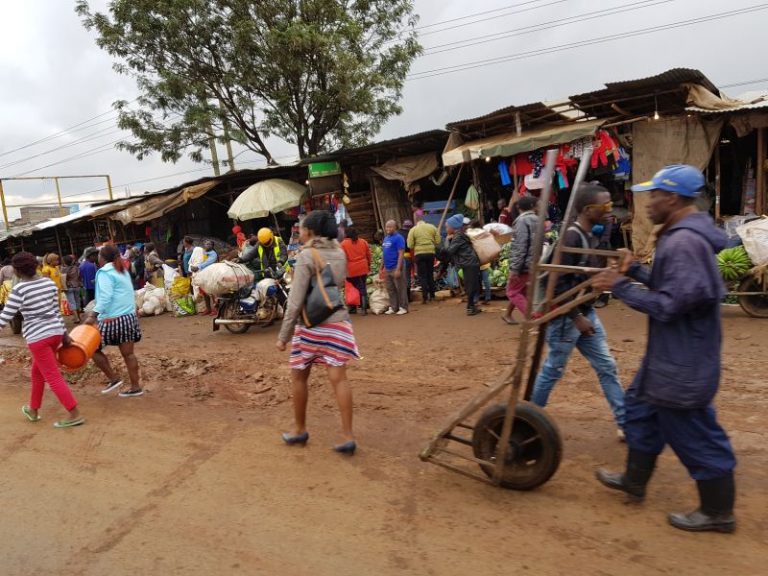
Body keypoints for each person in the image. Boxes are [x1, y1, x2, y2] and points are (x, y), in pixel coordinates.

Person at [592, 165, 737, 533]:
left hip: (683, 362)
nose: (648, 203)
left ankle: (718, 512)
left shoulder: (684, 243)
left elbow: (670, 304)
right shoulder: (679, 237)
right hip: (669, 357)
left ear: (672, 198)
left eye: (653, 196)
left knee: (694, 433)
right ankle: (634, 480)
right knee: (640, 411)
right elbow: (672, 286)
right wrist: (633, 271)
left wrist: (619, 287)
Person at [530, 184, 626, 437]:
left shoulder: (591, 234)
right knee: (553, 370)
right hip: (568, 317)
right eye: (605, 206)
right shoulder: (570, 238)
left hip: (584, 312)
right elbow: (557, 284)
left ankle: (625, 423)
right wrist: (577, 317)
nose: (610, 210)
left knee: (606, 366)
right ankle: (528, 419)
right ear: (587, 210)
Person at [275, 210, 360, 455]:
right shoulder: (339, 251)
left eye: (301, 228)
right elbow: (337, 283)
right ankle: (348, 436)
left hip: (310, 326)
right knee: (340, 379)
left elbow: (295, 300)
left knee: (299, 378)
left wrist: (283, 336)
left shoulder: (306, 255)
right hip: (338, 322)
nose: (298, 232)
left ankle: (299, 430)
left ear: (310, 231)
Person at [0, 252, 83, 428]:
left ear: (17, 271)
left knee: (52, 376)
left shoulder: (19, 289)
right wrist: (64, 335)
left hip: (38, 338)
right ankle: (33, 409)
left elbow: (5, 317)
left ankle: (74, 413)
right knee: (37, 373)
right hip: (54, 334)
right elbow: (56, 311)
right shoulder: (48, 283)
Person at [85, 244, 144, 397]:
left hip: (112, 320)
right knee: (129, 354)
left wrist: (92, 316)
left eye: (99, 255)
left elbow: (105, 297)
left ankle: (113, 378)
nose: (97, 258)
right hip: (129, 318)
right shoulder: (122, 270)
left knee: (91, 348)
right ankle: (135, 387)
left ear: (103, 258)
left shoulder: (104, 272)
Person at [502, 195, 539, 325]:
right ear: (533, 206)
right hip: (533, 262)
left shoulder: (522, 221)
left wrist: (515, 269)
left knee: (512, 292)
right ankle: (507, 314)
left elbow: (520, 247)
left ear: (519, 208)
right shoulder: (538, 220)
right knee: (521, 290)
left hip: (523, 264)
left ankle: (534, 318)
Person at [445, 214, 481, 316]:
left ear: (453, 227)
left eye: (447, 227)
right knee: (471, 285)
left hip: (469, 263)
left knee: (470, 286)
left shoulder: (457, 237)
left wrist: (447, 240)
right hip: (471, 263)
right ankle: (471, 306)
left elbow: (449, 251)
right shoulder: (460, 235)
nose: (446, 229)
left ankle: (470, 308)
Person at [407, 214, 440, 304]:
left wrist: (418, 244)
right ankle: (432, 296)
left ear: (416, 221)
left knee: (422, 276)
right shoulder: (432, 227)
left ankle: (425, 298)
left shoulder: (413, 230)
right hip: (430, 253)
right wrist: (430, 243)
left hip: (419, 254)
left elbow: (410, 245)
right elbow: (438, 241)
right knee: (430, 274)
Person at [340, 227, 372, 315]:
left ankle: (361, 308)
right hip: (363, 267)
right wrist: (369, 264)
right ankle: (363, 306)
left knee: (357, 287)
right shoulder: (363, 241)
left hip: (351, 269)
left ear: (346, 234)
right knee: (362, 286)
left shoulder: (343, 244)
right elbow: (368, 254)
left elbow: (342, 258)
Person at [382, 220, 408, 315]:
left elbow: (401, 253)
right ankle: (394, 307)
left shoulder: (399, 238)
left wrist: (398, 269)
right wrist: (382, 267)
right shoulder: (386, 238)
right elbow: (384, 253)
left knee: (400, 288)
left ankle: (403, 307)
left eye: (390, 227)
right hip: (387, 267)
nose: (388, 229)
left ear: (395, 227)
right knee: (390, 288)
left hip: (396, 266)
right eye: (387, 227)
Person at [190, 239, 219, 315]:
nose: (207, 245)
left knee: (212, 292)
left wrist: (198, 267)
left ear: (212, 246)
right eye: (206, 244)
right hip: (204, 274)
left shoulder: (213, 254)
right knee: (205, 293)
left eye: (209, 244)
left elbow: (208, 262)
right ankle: (208, 309)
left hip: (211, 275)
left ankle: (215, 309)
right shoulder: (204, 253)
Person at [61, 255, 83, 323]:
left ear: (64, 262)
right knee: (77, 301)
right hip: (77, 286)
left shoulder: (63, 269)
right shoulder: (76, 268)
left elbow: (62, 279)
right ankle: (79, 317)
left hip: (69, 287)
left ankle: (76, 318)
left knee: (72, 302)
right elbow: (79, 277)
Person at [398, 220, 414, 297]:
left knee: (400, 277)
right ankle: (408, 296)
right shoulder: (410, 233)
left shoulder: (397, 233)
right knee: (407, 276)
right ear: (410, 227)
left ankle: (401, 295)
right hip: (407, 257)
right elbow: (412, 247)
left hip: (397, 257)